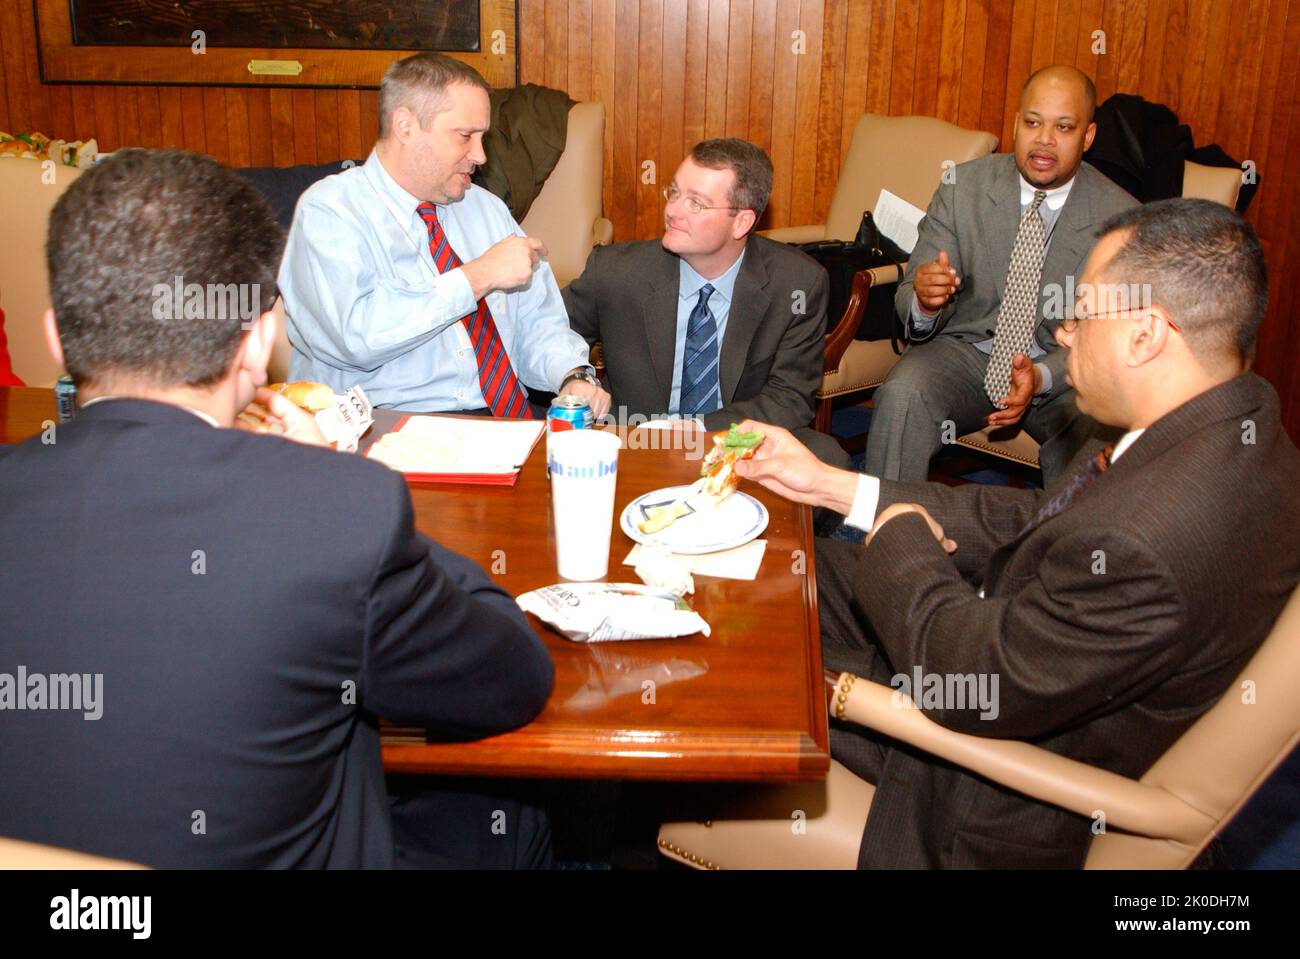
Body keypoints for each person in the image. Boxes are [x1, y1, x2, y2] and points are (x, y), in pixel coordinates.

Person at [0, 148, 555, 868]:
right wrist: (342, 490)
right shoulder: (336, 513)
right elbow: (514, 678)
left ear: (55, 337)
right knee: (515, 815)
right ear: (259, 342)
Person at [732, 198, 1300, 867]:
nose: (1064, 334)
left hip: (982, 774)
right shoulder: (1234, 425)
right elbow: (1036, 521)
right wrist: (834, 485)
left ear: (1145, 335)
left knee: (736, 657)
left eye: (1081, 314)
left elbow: (971, 677)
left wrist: (901, 534)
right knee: (773, 564)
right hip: (1029, 649)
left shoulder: (1147, 539)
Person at [279, 53, 610, 420]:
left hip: (501, 423)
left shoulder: (486, 209)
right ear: (405, 126)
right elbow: (355, 337)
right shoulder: (331, 211)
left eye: (482, 137)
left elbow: (538, 322)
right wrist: (477, 277)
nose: (481, 155)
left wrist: (571, 375)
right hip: (381, 426)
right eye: (465, 136)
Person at [867, 65, 1137, 482]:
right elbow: (910, 293)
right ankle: (885, 519)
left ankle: (1068, 527)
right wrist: (924, 302)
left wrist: (1041, 377)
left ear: (1088, 136)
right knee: (904, 393)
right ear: (1015, 124)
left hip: (1061, 371)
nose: (1044, 139)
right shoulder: (962, 187)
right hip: (968, 353)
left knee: (1099, 437)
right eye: (1032, 123)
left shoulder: (1120, 218)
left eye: (1064, 127)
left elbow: (1106, 340)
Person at [563, 138, 848, 467]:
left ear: (741, 222)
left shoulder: (798, 284)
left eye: (696, 203)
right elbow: (549, 332)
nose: (672, 211)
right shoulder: (616, 271)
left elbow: (790, 398)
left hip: (736, 440)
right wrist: (575, 377)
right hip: (633, 436)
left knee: (829, 458)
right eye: (674, 193)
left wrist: (697, 431)